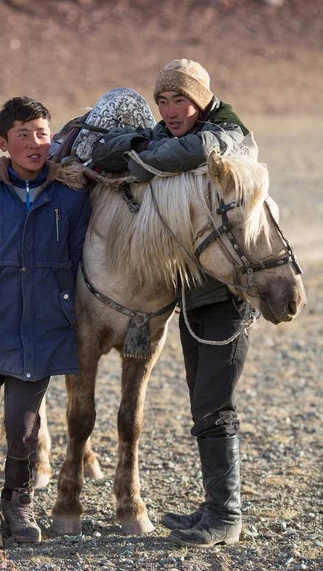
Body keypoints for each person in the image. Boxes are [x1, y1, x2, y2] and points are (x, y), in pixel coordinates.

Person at [91, 59, 256, 548]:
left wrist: (145, 155)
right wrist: (147, 145)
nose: (170, 109)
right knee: (203, 406)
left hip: (227, 295)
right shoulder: (164, 132)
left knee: (215, 404)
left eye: (179, 99)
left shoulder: (230, 132)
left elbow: (198, 150)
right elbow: (105, 148)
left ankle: (226, 517)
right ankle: (214, 507)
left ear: (203, 97)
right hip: (191, 295)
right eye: (161, 101)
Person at [0, 97, 90, 549]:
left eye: (42, 133)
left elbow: (79, 257)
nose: (35, 143)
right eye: (23, 134)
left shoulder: (70, 197)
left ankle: (18, 503)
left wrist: (60, 303)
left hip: (44, 327)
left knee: (24, 425)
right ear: (3, 142)